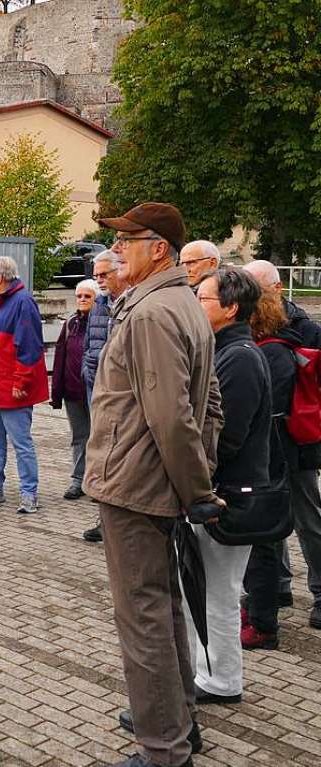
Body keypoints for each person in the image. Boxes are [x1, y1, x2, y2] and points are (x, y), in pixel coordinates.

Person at [86, 203, 222, 767]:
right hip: (152, 483)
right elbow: (206, 407)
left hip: (137, 486)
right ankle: (176, 721)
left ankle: (165, 748)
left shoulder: (151, 312)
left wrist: (196, 492)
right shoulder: (180, 303)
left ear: (158, 248)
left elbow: (174, 415)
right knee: (163, 609)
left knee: (144, 618)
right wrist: (197, 481)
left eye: (128, 242)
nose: (118, 252)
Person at [185, 268, 269, 702]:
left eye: (203, 298)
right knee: (206, 591)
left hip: (228, 496)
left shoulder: (238, 357)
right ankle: (211, 672)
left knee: (217, 594)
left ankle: (221, 681)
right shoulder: (225, 350)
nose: (195, 305)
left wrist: (198, 482)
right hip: (221, 491)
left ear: (231, 307)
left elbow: (225, 435)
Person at [244, 259, 321, 630]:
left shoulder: (304, 330)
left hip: (298, 441)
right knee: (270, 519)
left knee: (308, 520)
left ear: (274, 289)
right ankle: (278, 587)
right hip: (269, 446)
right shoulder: (252, 331)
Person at [244, 287, 300, 649]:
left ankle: (265, 626)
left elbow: (271, 409)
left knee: (264, 542)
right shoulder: (266, 350)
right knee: (259, 543)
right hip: (265, 457)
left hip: (271, 458)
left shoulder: (275, 352)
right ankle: (259, 606)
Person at [0, 256, 48, 515]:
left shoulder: (22, 303)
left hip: (12, 388)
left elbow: (29, 345)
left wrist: (21, 381)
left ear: (1, 277)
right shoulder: (0, 303)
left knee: (21, 442)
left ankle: (29, 493)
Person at [81, 245, 127, 542]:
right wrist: (88, 369)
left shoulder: (130, 303)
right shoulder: (100, 304)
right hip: (96, 385)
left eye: (103, 274)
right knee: (99, 454)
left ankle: (117, 521)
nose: (98, 280)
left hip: (119, 392)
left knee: (118, 455)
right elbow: (90, 342)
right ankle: (103, 519)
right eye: (95, 275)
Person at [51, 279, 97, 501]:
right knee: (79, 437)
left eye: (87, 296)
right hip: (72, 391)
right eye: (79, 296)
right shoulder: (70, 323)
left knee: (99, 438)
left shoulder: (102, 323)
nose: (82, 300)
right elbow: (60, 357)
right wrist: (57, 392)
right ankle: (78, 480)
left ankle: (97, 482)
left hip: (97, 392)